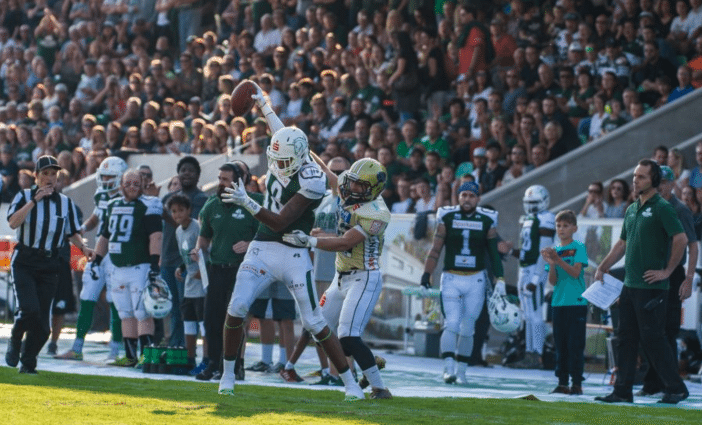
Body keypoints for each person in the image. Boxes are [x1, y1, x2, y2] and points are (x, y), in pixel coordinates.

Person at [216, 83, 365, 401]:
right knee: (238, 307)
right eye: (276, 158)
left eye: (285, 161)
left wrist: (248, 203)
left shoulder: (312, 179)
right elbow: (282, 133)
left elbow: (282, 220)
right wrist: (264, 106)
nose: (278, 166)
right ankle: (227, 376)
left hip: (294, 251)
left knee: (313, 321)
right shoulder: (289, 149)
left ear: (300, 158)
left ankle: (350, 384)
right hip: (262, 246)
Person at [281, 157, 393, 399]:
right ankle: (369, 360)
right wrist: (306, 152)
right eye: (352, 182)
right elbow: (327, 173)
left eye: (360, 186)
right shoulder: (348, 185)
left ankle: (379, 388)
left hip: (364, 277)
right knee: (316, 329)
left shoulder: (377, 213)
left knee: (348, 335)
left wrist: (310, 241)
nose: (352, 188)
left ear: (374, 188)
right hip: (340, 277)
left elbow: (345, 242)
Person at [594, 159, 689, 404]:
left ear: (654, 181)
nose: (635, 180)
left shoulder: (662, 207)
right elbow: (622, 243)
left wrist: (668, 270)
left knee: (653, 339)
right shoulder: (632, 208)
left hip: (652, 287)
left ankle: (676, 388)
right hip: (631, 285)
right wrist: (604, 266)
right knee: (625, 338)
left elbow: (680, 239)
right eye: (635, 176)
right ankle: (622, 390)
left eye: (642, 177)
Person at [5, 156, 91, 374]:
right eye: (46, 173)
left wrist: (84, 248)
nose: (50, 178)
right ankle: (16, 336)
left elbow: (71, 232)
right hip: (25, 259)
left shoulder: (65, 203)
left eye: (54, 174)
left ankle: (28, 362)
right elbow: (13, 222)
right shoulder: (23, 195)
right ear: (36, 176)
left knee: (44, 328)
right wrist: (35, 200)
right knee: (29, 310)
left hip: (50, 262)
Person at [420, 181, 506, 384]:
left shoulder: (487, 219)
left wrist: (500, 278)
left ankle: (462, 371)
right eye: (464, 195)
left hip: (476, 279)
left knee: (468, 328)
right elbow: (435, 249)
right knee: (451, 323)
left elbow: (494, 253)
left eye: (471, 196)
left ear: (478, 198)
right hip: (451, 277)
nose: (467, 199)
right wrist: (426, 275)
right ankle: (448, 368)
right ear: (458, 197)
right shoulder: (447, 216)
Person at [192, 161, 261, 381]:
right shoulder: (212, 204)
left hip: (243, 270)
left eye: (225, 179)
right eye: (220, 178)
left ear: (239, 181)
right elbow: (204, 235)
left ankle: (234, 365)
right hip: (216, 268)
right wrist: (197, 250)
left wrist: (250, 243)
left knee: (234, 318)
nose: (220, 183)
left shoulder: (255, 203)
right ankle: (213, 363)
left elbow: (270, 233)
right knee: (211, 318)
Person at [54, 156, 127, 362]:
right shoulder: (102, 195)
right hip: (99, 252)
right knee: (87, 296)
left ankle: (116, 349)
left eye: (110, 176)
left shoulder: (126, 197)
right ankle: (77, 347)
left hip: (118, 255)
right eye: (102, 176)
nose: (105, 180)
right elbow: (97, 216)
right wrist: (83, 228)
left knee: (116, 301)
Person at [88, 170, 163, 367]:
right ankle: (131, 357)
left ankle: (148, 358)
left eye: (136, 183)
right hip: (117, 267)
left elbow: (156, 236)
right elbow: (105, 236)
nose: (132, 186)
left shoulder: (149, 205)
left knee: (142, 313)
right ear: (121, 185)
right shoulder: (113, 205)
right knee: (125, 313)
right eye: (128, 183)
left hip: (140, 266)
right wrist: (96, 259)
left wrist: (155, 263)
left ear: (142, 185)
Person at [638, 166, 698, 396]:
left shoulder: (679, 210)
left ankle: (668, 383)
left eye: (663, 182)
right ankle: (653, 381)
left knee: (667, 331)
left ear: (672, 184)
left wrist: (689, 278)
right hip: (652, 275)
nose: (659, 186)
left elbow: (692, 245)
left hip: (672, 276)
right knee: (651, 331)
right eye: (656, 182)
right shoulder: (650, 206)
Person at [160, 156, 208, 348]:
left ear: (197, 175)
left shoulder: (201, 199)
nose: (186, 173)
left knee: (187, 308)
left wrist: (165, 214)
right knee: (172, 307)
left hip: (190, 263)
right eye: (183, 170)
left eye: (191, 170)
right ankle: (174, 344)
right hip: (169, 259)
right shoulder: (168, 198)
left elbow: (189, 224)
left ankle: (186, 348)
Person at [507, 185, 555, 369]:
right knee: (527, 315)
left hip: (535, 270)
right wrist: (511, 251)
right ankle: (529, 352)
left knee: (535, 316)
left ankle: (537, 355)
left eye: (534, 203)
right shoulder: (530, 219)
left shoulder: (547, 219)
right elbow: (528, 250)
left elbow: (545, 252)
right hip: (525, 269)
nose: (532, 206)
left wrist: (536, 279)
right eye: (529, 203)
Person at [541, 210, 588, 396]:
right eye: (558, 225)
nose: (561, 229)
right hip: (558, 303)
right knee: (560, 345)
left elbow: (576, 273)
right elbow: (552, 282)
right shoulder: (555, 250)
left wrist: (558, 260)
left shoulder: (578, 247)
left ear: (574, 228)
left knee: (575, 345)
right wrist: (552, 263)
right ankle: (562, 382)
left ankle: (577, 383)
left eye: (566, 226)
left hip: (576, 303)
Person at [168, 194, 208, 375]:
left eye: (181, 210)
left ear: (189, 210)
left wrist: (204, 269)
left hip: (202, 285)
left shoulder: (197, 227)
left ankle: (207, 361)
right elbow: (187, 255)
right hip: (189, 284)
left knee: (203, 324)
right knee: (189, 323)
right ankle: (189, 359)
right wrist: (181, 267)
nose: (177, 215)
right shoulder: (178, 231)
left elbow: (206, 251)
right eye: (174, 211)